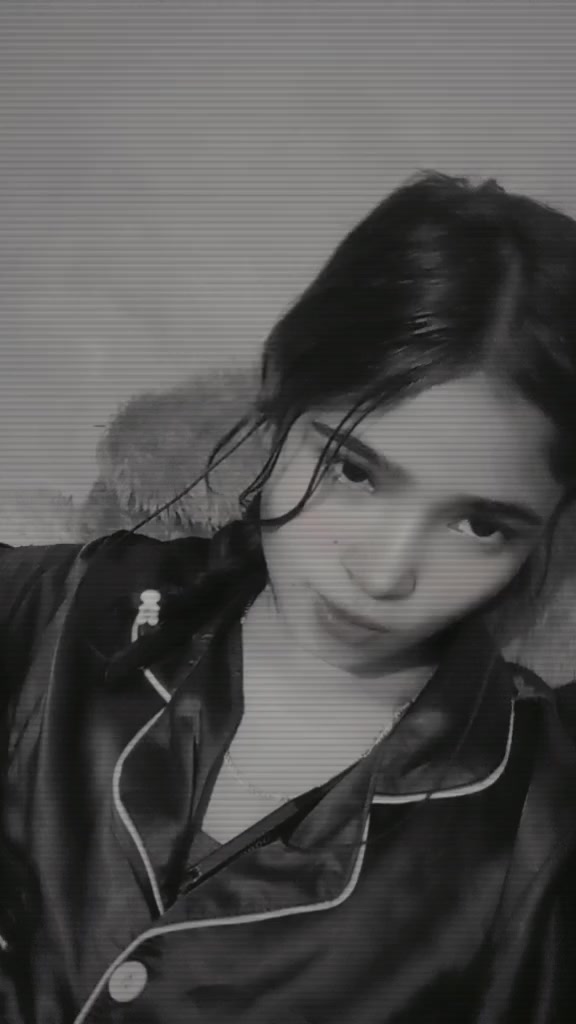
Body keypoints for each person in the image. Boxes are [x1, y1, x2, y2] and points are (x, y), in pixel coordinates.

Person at [1, 170, 576, 1024]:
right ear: (280, 397)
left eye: (480, 525)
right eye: (355, 472)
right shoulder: (60, 610)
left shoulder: (540, 824)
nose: (384, 574)